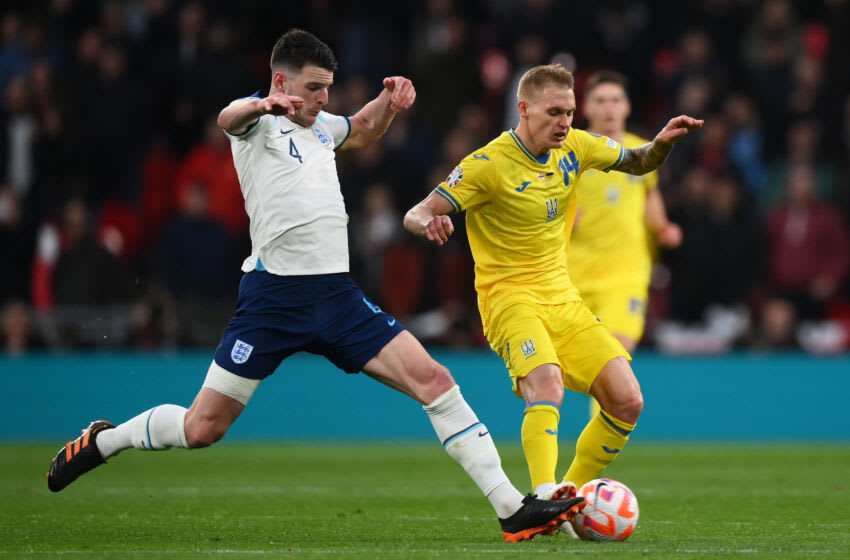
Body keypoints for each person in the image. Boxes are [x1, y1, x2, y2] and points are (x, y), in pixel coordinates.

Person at [46, 30, 583, 543]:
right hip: (273, 300)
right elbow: (226, 117)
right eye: (313, 88)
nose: (323, 98)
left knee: (434, 379)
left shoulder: (322, 125)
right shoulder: (257, 121)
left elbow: (365, 128)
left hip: (337, 297)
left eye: (327, 88)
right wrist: (261, 107)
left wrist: (388, 101)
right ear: (281, 83)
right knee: (202, 427)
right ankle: (106, 439)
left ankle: (511, 509)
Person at [404, 64, 702, 506]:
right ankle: (543, 496)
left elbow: (638, 162)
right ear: (523, 109)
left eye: (569, 112)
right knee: (548, 384)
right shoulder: (487, 165)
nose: (565, 122)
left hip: (563, 298)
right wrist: (430, 222)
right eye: (554, 112)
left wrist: (660, 144)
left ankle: (570, 494)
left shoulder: (577, 147)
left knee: (627, 400)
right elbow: (417, 211)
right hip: (509, 300)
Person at [567, 71, 682, 418]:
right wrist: (560, 217)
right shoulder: (570, 152)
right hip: (573, 277)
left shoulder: (642, 151)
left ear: (627, 106)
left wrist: (662, 227)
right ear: (585, 107)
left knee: (614, 361)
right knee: (559, 371)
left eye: (615, 100)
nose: (608, 108)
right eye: (600, 100)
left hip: (626, 276)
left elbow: (649, 195)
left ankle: (593, 460)